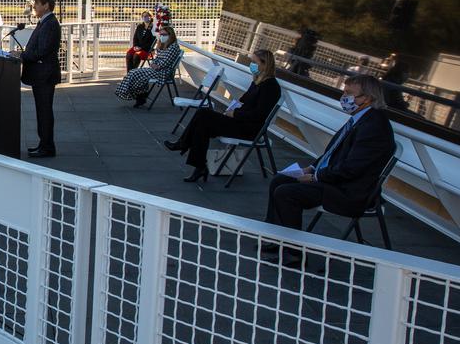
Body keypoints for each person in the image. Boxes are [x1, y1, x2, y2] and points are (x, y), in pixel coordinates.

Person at [265, 74, 397, 241]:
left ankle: (292, 251)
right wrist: (313, 168)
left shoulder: (374, 127)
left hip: (348, 191)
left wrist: (316, 177)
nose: (344, 98)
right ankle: (273, 237)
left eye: (349, 94)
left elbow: (351, 168)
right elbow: (333, 153)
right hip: (335, 182)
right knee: (279, 180)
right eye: (344, 93)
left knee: (286, 193)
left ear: (368, 98)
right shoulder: (360, 119)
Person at [165, 49, 282, 183]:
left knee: (204, 115)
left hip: (250, 128)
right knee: (202, 125)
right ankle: (198, 165)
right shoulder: (257, 82)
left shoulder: (270, 86)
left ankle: (185, 146)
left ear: (265, 64)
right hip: (240, 121)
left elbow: (259, 114)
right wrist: (232, 109)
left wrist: (235, 113)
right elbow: (243, 101)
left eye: (254, 62)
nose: (251, 65)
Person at [12, 0, 60, 158]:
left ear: (46, 5)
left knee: (44, 111)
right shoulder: (44, 22)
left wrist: (22, 56)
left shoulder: (50, 24)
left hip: (45, 75)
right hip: (41, 74)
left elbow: (43, 50)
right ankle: (44, 144)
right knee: (42, 111)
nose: (34, 7)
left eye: (36, 4)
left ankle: (47, 147)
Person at [114, 25, 182, 108]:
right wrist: (154, 64)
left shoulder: (173, 47)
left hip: (164, 72)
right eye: (161, 35)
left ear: (170, 35)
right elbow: (158, 58)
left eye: (164, 35)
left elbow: (166, 62)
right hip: (156, 69)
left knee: (138, 74)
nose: (162, 37)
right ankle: (139, 96)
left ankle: (136, 94)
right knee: (134, 72)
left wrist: (156, 65)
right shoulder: (163, 45)